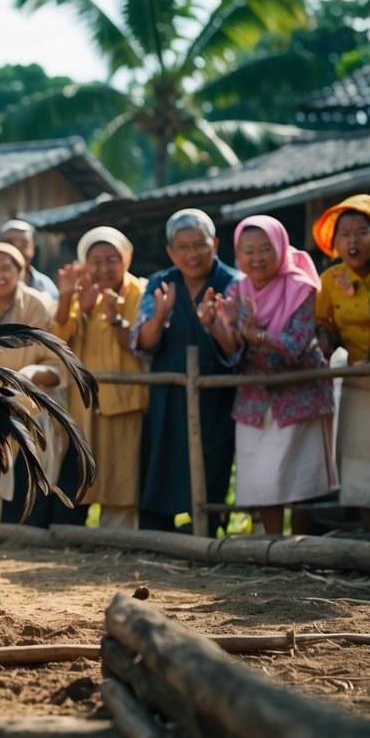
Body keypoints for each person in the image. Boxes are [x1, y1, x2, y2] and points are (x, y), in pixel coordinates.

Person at [197, 216, 334, 535]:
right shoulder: (236, 288)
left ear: (281, 247)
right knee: (262, 477)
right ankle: (272, 545)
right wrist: (214, 327)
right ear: (238, 254)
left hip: (298, 393)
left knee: (302, 480)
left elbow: (297, 345)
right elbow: (234, 350)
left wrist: (255, 334)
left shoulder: (301, 286)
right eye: (248, 251)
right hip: (254, 398)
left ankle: (301, 547)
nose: (257, 258)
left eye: (265, 249)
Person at [132, 208, 239, 535]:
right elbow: (142, 343)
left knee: (214, 461)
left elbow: (235, 350)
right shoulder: (160, 283)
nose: (192, 254)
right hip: (169, 393)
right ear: (171, 251)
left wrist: (215, 326)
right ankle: (160, 535)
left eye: (200, 244)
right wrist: (160, 315)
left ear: (215, 244)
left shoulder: (233, 283)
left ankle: (205, 532)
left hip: (216, 394)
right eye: (183, 246)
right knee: (161, 462)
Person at [52, 227, 148, 529]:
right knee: (88, 471)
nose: (103, 268)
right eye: (95, 260)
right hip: (86, 404)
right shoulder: (81, 294)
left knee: (123, 471)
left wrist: (112, 313)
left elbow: (139, 342)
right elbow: (58, 339)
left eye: (112, 259)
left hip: (125, 399)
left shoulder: (139, 293)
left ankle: (118, 535)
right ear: (84, 262)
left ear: (127, 260)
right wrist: (70, 298)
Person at [0, 242, 70, 525]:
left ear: (21, 270)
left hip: (30, 406)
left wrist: (29, 374)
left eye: (6, 268)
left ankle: (23, 528)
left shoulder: (38, 305)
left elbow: (56, 366)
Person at [312, 194, 370, 529]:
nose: (353, 241)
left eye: (362, 231)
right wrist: (322, 344)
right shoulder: (331, 280)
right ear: (334, 242)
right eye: (345, 234)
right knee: (360, 464)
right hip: (358, 382)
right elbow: (325, 325)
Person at [0, 219, 59, 299]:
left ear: (33, 248)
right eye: (9, 243)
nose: (17, 250)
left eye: (24, 244)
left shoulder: (45, 285)